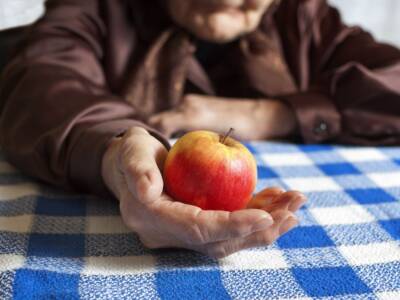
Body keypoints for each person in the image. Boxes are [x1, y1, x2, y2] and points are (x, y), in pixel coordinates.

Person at [0, 0, 399, 258]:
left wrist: (271, 115)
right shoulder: (96, 9)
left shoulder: (305, 18)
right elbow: (43, 81)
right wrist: (117, 152)